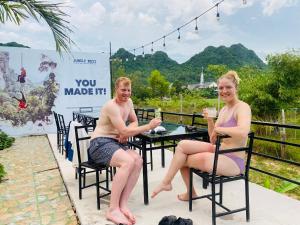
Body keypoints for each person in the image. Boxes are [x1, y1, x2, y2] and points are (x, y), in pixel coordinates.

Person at [151, 70, 251, 201]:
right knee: (182, 145)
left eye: (228, 87)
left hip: (233, 160)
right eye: (221, 88)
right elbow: (212, 138)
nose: (224, 91)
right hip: (219, 151)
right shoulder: (224, 110)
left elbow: (243, 131)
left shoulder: (242, 107)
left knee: (182, 160)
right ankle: (170, 183)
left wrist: (218, 128)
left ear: (236, 88)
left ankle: (180, 189)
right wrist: (210, 121)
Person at [88, 77, 161, 225]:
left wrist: (126, 131)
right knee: (127, 161)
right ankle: (112, 209)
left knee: (138, 160)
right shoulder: (111, 106)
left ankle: (123, 204)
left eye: (128, 90)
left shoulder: (129, 103)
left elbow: (133, 121)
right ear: (116, 89)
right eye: (123, 90)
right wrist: (148, 126)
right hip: (99, 143)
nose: (126, 93)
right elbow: (124, 129)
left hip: (115, 142)